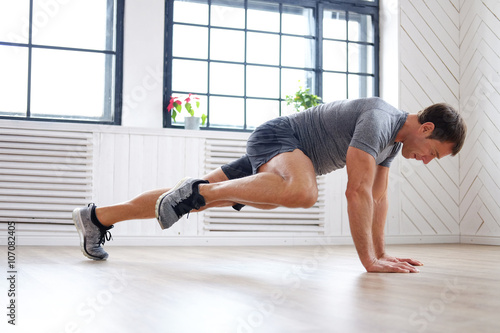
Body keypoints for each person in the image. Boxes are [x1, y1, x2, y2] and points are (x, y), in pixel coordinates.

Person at [72, 97, 467, 273]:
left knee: (184, 199)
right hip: (281, 139)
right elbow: (357, 191)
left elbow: (378, 198)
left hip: (289, 155)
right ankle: (199, 191)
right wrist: (368, 261)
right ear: (426, 128)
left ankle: (96, 218)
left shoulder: (392, 145)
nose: (428, 161)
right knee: (302, 192)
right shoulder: (380, 120)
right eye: (433, 151)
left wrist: (383, 254)